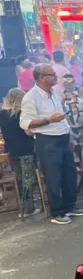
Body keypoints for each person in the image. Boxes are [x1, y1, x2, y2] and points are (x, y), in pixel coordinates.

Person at [20, 63, 83, 225]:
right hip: (48, 141)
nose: (56, 77)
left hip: (63, 137)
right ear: (42, 78)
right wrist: (48, 120)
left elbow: (61, 116)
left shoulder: (54, 93)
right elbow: (25, 123)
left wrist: (68, 133)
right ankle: (57, 212)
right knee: (54, 177)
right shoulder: (31, 97)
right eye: (52, 75)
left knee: (69, 174)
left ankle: (69, 206)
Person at [0, 88, 39, 216]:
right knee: (28, 179)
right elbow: (29, 131)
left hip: (11, 150)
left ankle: (23, 207)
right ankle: (29, 208)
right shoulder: (21, 113)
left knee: (19, 179)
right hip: (26, 149)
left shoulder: (2, 114)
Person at [61, 74, 83, 145]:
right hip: (70, 121)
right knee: (75, 144)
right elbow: (62, 107)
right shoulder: (63, 95)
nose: (68, 87)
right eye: (66, 85)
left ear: (74, 83)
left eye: (69, 85)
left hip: (82, 119)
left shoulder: (80, 91)